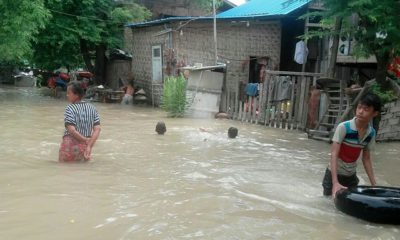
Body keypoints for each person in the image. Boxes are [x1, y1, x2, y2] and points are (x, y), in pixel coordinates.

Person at [322, 93, 381, 199]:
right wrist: (335, 183)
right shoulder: (344, 127)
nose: (360, 111)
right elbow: (334, 154)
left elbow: (366, 159)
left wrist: (374, 184)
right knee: (328, 203)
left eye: (366, 109)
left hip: (351, 177)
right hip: (334, 175)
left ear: (375, 113)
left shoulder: (371, 133)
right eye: (359, 107)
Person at [59, 81, 101, 162]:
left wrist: (84, 139)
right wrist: (89, 145)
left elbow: (71, 130)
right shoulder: (92, 108)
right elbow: (97, 129)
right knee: (81, 171)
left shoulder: (70, 108)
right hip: (84, 147)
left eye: (68, 93)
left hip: (69, 145)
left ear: (76, 94)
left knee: (63, 171)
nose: (67, 95)